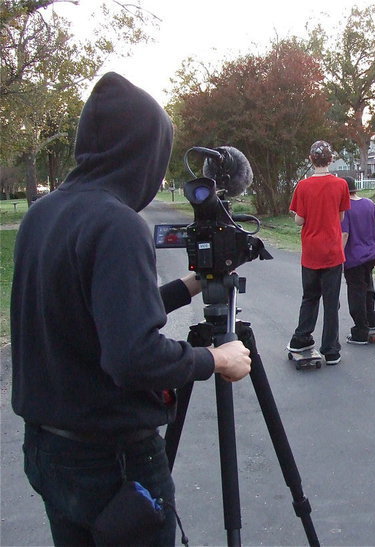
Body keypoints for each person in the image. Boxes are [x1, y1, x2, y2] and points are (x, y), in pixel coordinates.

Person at [10, 72, 252, 546]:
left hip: (49, 451)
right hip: (112, 462)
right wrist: (214, 359)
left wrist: (190, 287)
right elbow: (132, 356)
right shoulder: (117, 223)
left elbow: (93, 318)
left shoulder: (44, 213)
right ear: (145, 151)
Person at [287, 140, 351, 364]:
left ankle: (302, 337)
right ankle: (331, 349)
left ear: (310, 159)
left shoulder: (303, 186)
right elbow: (341, 216)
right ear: (331, 159)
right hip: (333, 251)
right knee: (331, 302)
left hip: (311, 251)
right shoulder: (341, 184)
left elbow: (299, 220)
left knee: (310, 296)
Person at [340, 176, 375, 344]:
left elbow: (344, 234)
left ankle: (360, 330)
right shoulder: (369, 204)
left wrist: (339, 256)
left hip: (353, 258)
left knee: (356, 293)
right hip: (370, 255)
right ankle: (372, 321)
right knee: (368, 288)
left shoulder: (345, 209)